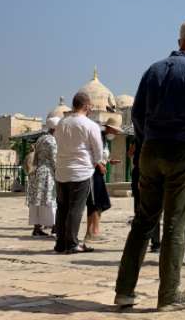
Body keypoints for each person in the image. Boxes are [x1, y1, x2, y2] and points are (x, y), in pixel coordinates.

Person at [115, 18, 185, 312]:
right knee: (176, 224)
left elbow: (136, 113)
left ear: (179, 42)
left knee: (143, 221)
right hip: (183, 151)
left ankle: (124, 291)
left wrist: (147, 140)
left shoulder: (154, 69)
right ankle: (170, 294)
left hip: (151, 150)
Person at [53, 92, 103, 254]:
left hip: (61, 171)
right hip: (81, 172)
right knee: (76, 208)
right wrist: (95, 163)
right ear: (86, 106)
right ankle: (72, 243)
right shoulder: (90, 125)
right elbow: (98, 151)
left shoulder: (61, 123)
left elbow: (58, 144)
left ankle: (60, 243)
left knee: (62, 208)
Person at [84, 117, 122, 243]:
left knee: (100, 203)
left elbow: (101, 156)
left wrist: (109, 161)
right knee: (95, 203)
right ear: (109, 128)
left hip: (99, 173)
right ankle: (91, 233)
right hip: (93, 173)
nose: (116, 134)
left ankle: (95, 231)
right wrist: (99, 165)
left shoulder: (104, 139)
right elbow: (90, 155)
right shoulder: (98, 137)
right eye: (115, 130)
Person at [27, 117, 59, 237]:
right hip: (48, 173)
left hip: (37, 171)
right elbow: (54, 160)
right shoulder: (52, 141)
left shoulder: (41, 139)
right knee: (50, 199)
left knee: (38, 200)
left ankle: (37, 228)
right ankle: (55, 227)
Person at [128, 140, 160, 253]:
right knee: (155, 209)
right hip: (153, 171)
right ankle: (155, 243)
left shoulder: (138, 137)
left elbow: (130, 153)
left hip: (142, 171)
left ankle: (138, 241)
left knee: (140, 209)